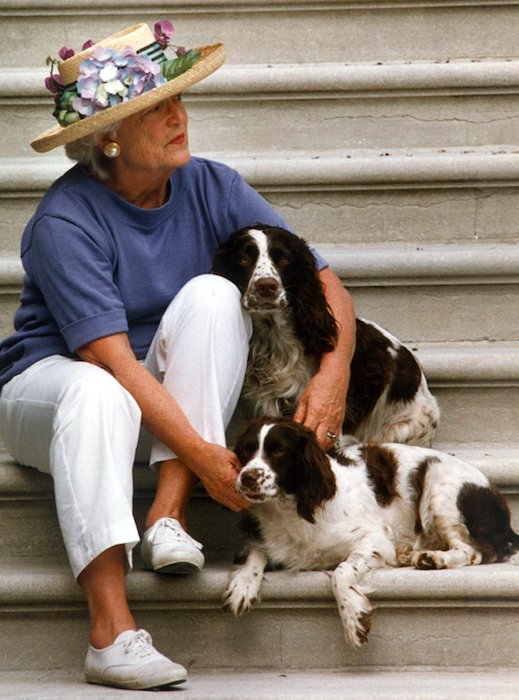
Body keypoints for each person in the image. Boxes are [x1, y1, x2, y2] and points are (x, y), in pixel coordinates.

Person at [0, 20, 356, 691]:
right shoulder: (64, 221)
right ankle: (110, 633)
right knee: (95, 389)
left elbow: (323, 280)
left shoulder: (210, 185)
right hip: (52, 395)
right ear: (108, 138)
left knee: (216, 297)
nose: (178, 118)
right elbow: (112, 362)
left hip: (157, 402)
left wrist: (332, 373)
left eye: (178, 101)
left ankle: (167, 515)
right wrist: (204, 455)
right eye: (155, 110)